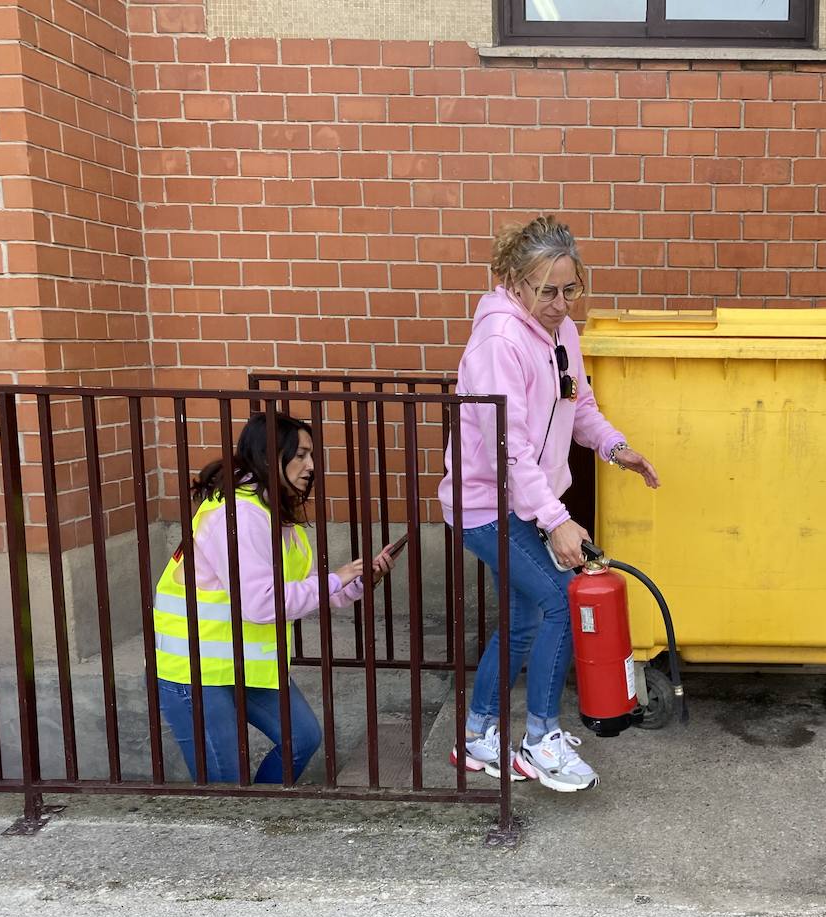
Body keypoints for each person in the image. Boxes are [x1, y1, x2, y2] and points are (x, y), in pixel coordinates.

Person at [438, 215, 660, 792]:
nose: (561, 303)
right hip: (487, 505)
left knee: (523, 619)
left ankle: (477, 735)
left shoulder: (559, 332)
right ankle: (538, 741)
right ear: (513, 281)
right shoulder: (500, 342)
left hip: (526, 500)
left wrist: (616, 447)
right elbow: (508, 451)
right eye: (547, 291)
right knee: (561, 602)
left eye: (570, 289)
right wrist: (557, 521)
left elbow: (577, 402)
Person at [153, 412, 394, 783]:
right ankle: (244, 824)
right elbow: (262, 604)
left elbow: (300, 588)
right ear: (269, 457)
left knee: (302, 738)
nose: (310, 466)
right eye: (299, 455)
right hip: (196, 672)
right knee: (227, 788)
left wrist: (357, 581)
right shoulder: (239, 514)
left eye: (311, 455)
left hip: (242, 663)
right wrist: (335, 579)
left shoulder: (270, 509)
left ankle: (260, 809)